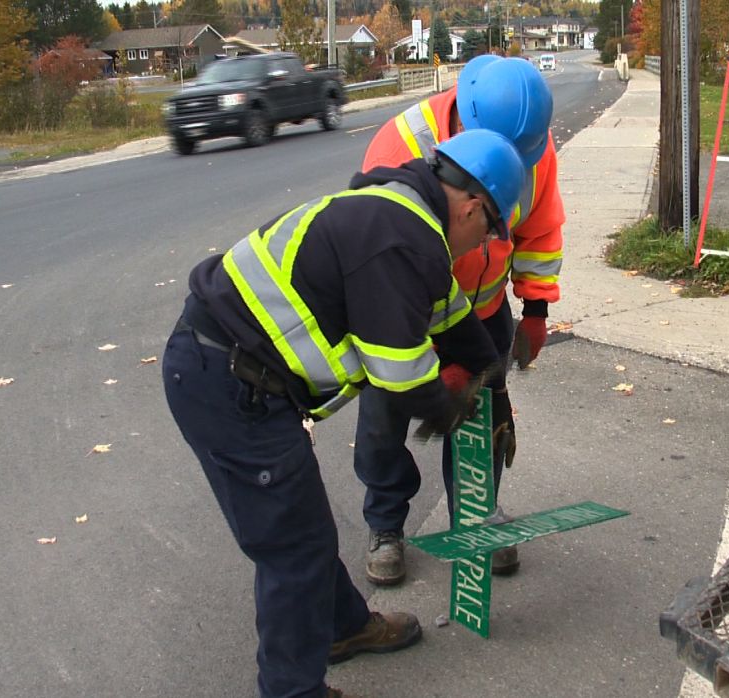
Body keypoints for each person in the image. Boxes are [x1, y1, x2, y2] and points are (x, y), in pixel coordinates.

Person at [161, 129, 526, 698]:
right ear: (474, 207)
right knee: (292, 548)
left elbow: (453, 320)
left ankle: (341, 628)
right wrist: (449, 404)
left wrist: (494, 386)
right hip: (229, 383)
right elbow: (400, 374)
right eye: (490, 231)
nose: (483, 245)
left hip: (228, 372)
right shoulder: (404, 238)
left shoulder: (400, 213)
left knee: (302, 528)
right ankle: (293, 689)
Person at [355, 55, 565, 586]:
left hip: (485, 312)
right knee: (385, 422)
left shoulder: (533, 146)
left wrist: (535, 308)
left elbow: (538, 230)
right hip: (405, 319)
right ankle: (386, 528)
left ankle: (476, 518)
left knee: (481, 418)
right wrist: (422, 366)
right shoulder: (401, 144)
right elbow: (376, 256)